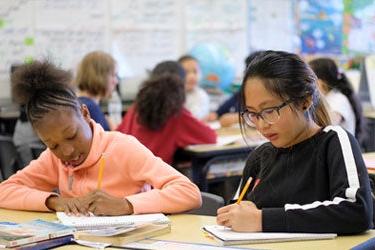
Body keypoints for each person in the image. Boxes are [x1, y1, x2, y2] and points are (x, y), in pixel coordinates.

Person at [0, 60, 201, 215]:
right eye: (53, 145)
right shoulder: (54, 159)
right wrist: (55, 202)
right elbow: (4, 191)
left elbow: (189, 192)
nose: (66, 151)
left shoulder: (123, 148)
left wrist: (126, 205)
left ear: (85, 114)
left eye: (72, 135)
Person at [216, 51, 373, 234]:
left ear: (305, 102)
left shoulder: (333, 141)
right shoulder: (259, 156)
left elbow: (357, 211)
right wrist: (234, 215)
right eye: (253, 114)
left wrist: (262, 219)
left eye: (270, 111)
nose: (261, 124)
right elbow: (236, 212)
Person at [117, 61, 217, 165]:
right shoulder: (177, 114)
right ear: (181, 85)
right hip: (151, 177)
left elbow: (118, 133)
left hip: (122, 170)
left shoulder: (136, 107)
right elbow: (210, 137)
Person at [309, 57, 367, 146]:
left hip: (342, 153)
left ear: (319, 82)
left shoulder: (338, 100)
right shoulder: (329, 97)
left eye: (308, 80)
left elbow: (326, 124)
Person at [75, 51, 119, 131]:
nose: (116, 81)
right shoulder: (91, 108)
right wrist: (114, 132)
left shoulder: (78, 102)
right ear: (100, 76)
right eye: (113, 75)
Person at [178, 55, 210, 120]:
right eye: (186, 72)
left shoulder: (201, 95)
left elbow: (193, 117)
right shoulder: (172, 94)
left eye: (195, 72)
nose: (192, 76)